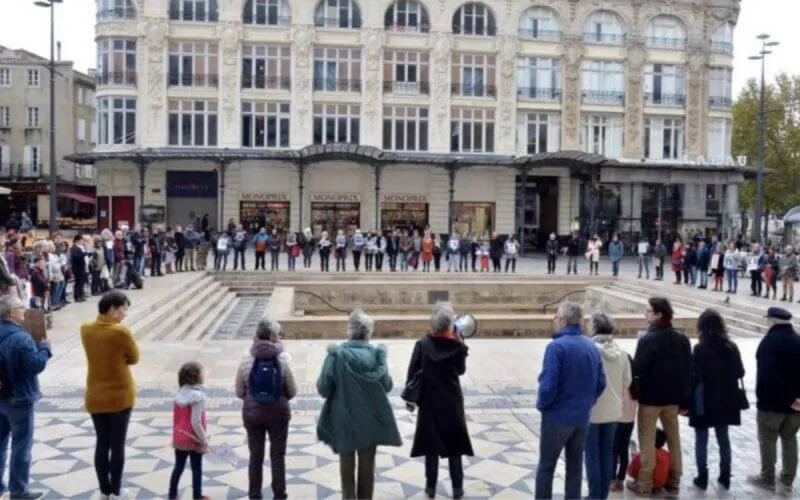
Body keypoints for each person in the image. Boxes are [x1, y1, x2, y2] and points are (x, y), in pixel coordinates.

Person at [317, 311, 401, 499]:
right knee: (367, 468)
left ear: (349, 331)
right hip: (370, 420)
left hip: (343, 418)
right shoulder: (376, 357)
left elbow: (323, 388)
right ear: (368, 333)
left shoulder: (336, 355)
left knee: (346, 467)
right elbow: (387, 386)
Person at [535, 302, 606, 500]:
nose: (555, 320)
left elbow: (549, 386)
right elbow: (601, 382)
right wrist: (587, 403)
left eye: (556, 317)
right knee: (575, 467)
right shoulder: (590, 345)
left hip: (557, 417)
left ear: (563, 320)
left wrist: (543, 406)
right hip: (582, 418)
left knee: (547, 466)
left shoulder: (556, 347)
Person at [405, 302, 473, 499]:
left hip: (429, 401)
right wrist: (460, 341)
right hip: (451, 401)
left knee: (430, 446)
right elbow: (460, 370)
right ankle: (457, 488)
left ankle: (431, 487)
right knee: (455, 446)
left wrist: (410, 400)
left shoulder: (423, 344)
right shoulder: (457, 346)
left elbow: (412, 372)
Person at [627, 298, 692, 497]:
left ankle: (645, 484)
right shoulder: (682, 339)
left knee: (647, 440)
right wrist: (685, 400)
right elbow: (688, 372)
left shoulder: (647, 340)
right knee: (674, 439)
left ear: (658, 314)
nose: (645, 314)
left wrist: (634, 393)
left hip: (650, 400)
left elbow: (638, 371)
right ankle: (674, 482)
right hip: (673, 400)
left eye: (648, 311)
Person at [81, 290, 139, 500]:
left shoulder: (86, 329)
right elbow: (134, 358)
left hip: (95, 395)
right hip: (120, 396)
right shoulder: (121, 332)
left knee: (102, 443)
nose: (125, 313)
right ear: (113, 310)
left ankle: (104, 489)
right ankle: (116, 490)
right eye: (124, 308)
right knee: (117, 444)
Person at [235, 317, 297, 500]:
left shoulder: (246, 357)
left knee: (256, 456)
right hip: (278, 414)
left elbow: (239, 392)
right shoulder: (284, 357)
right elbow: (292, 391)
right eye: (278, 334)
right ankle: (279, 494)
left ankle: (254, 495)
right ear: (271, 335)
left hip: (253, 416)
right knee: (278, 456)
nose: (279, 337)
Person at [0, 295, 52, 500]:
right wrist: (45, 348)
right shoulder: (21, 338)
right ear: (12, 312)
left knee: (1, 443)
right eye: (20, 307)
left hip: (1, 395)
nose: (23, 311)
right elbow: (35, 365)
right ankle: (19, 490)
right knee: (22, 445)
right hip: (20, 398)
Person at [689, 309, 745, 491]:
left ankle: (702, 477)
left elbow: (694, 376)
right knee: (724, 438)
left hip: (704, 401)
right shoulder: (731, 347)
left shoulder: (700, 349)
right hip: (727, 400)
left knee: (701, 439)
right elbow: (740, 372)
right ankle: (725, 475)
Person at [748, 307, 800, 493]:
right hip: (796, 405)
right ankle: (788, 477)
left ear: (772, 321)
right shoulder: (798, 340)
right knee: (790, 439)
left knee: (768, 440)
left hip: (772, 403)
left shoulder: (769, 341)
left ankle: (767, 477)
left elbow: (767, 375)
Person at [585, 313, 631, 500]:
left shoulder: (590, 350)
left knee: (592, 454)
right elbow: (627, 382)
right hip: (614, 411)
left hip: (593, 411)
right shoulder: (622, 353)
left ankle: (594, 494)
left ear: (594, 327)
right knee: (607, 452)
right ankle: (602, 494)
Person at [168, 362, 208, 500]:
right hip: (193, 437)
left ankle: (172, 494)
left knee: (178, 466)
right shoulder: (198, 396)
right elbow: (195, 421)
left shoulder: (179, 394)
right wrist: (204, 439)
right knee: (196, 468)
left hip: (180, 436)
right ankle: (197, 496)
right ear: (196, 377)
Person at [70, 235, 88, 302]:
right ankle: (77, 296)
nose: (82, 241)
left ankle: (80, 295)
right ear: (77, 240)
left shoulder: (80, 247)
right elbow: (76, 257)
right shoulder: (74, 248)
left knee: (81, 282)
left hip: (82, 267)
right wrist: (84, 254)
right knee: (78, 282)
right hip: (77, 268)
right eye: (81, 240)